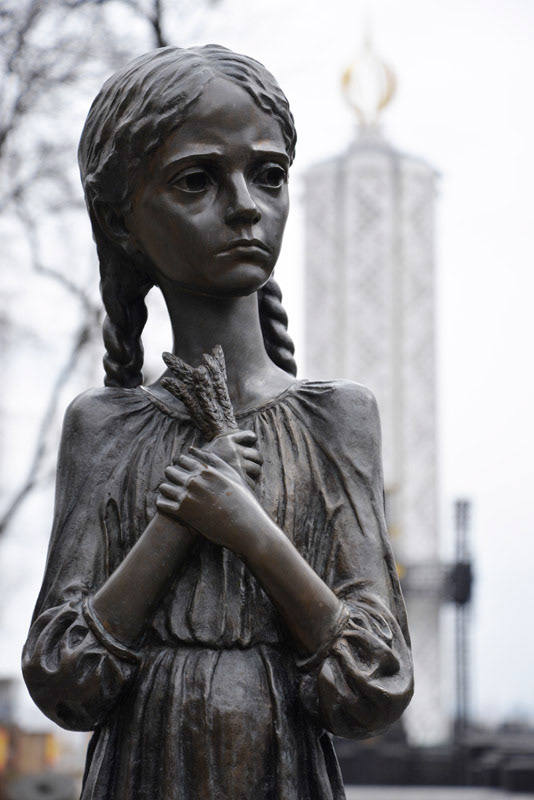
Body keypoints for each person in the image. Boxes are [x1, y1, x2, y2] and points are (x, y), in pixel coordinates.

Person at [22, 45, 413, 799]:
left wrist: (251, 531)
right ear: (122, 220)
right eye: (197, 180)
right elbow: (64, 681)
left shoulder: (337, 418)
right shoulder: (104, 428)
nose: (244, 206)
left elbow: (375, 684)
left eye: (268, 175)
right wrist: (174, 525)